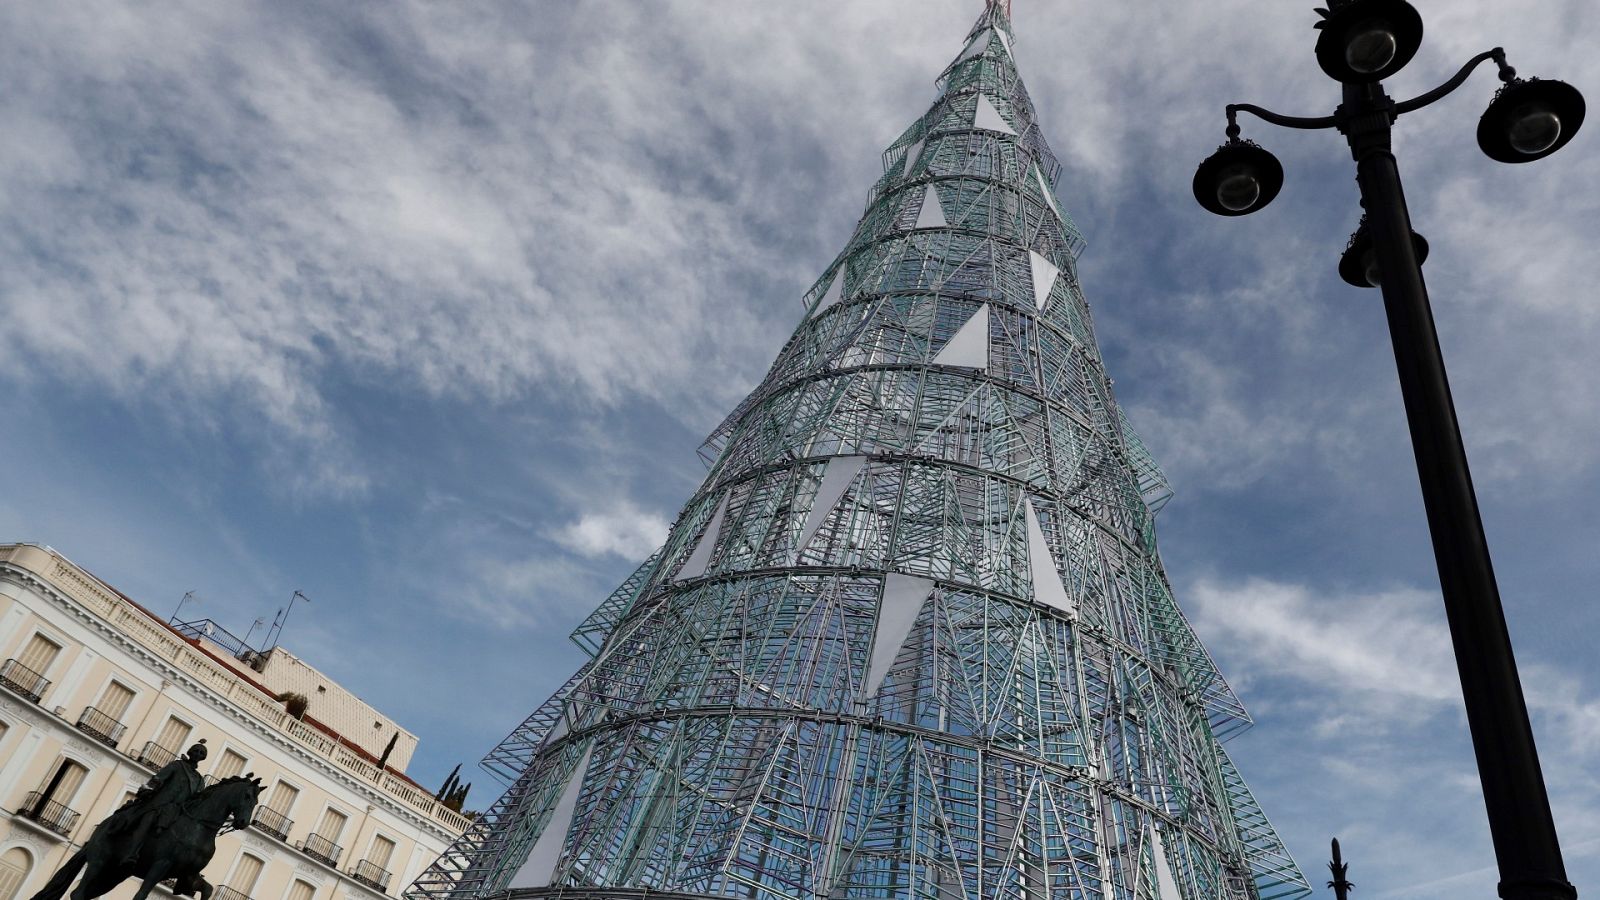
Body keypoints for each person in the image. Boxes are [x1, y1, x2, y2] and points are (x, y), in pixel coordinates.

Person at [112, 740, 209, 866]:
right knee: (147, 820)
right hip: (161, 803)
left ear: (203, 757)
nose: (197, 754)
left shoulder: (199, 779)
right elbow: (159, 778)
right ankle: (130, 852)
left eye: (201, 753)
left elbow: (196, 799)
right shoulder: (177, 765)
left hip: (178, 811)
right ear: (190, 752)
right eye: (196, 751)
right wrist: (148, 789)